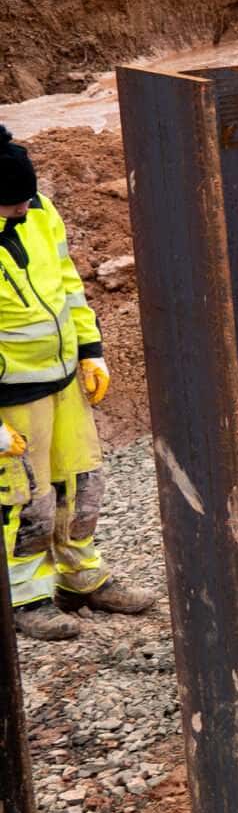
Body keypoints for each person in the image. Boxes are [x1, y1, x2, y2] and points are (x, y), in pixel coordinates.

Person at [0, 127, 155, 639]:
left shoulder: (38, 210)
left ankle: (80, 577)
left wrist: (91, 351)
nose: (22, 211)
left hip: (64, 380)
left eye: (25, 199)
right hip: (11, 396)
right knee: (27, 501)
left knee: (81, 484)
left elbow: (68, 285)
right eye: (11, 205)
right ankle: (24, 599)